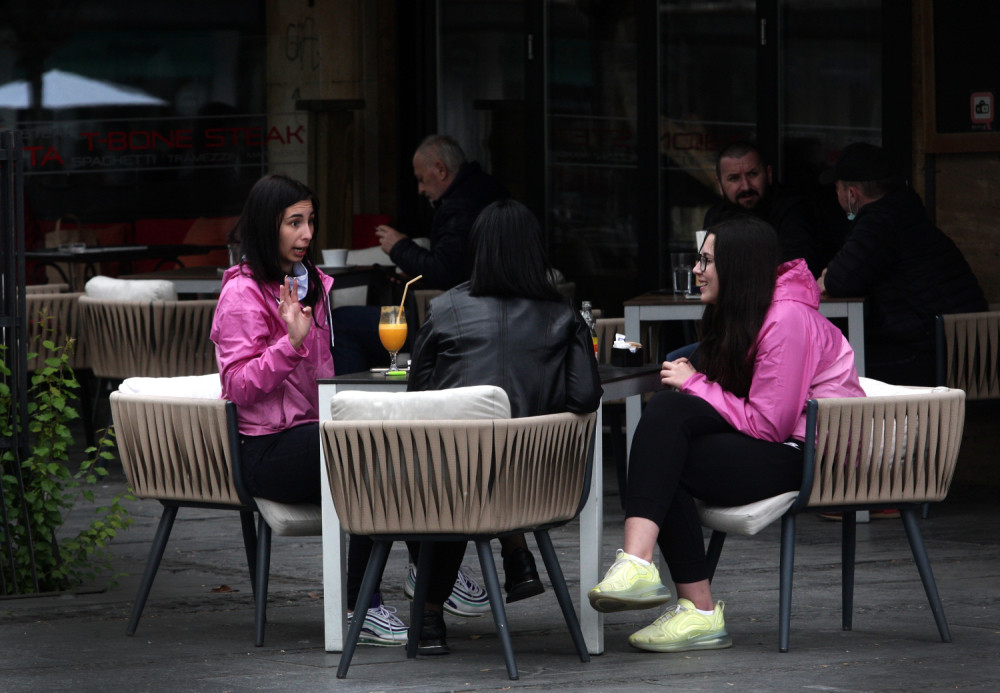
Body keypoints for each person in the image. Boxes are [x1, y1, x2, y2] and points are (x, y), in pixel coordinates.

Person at [588, 216, 864, 653]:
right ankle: (677, 597)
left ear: (737, 267)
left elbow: (770, 425)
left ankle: (668, 588)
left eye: (706, 261)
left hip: (807, 454)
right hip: (772, 442)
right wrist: (686, 373)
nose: (696, 270)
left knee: (668, 442)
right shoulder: (741, 313)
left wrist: (694, 383)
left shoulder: (788, 318)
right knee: (668, 432)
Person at [210, 174, 409, 647]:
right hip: (264, 449)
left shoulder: (311, 285)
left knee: (394, 452)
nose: (306, 235)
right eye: (293, 223)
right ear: (266, 226)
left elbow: (320, 375)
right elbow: (237, 386)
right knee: (366, 454)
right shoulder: (242, 294)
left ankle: (413, 579)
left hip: (311, 431)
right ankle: (364, 602)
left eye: (310, 222)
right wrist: (289, 343)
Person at [403, 198, 603, 654]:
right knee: (490, 465)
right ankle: (518, 555)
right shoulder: (562, 314)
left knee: (450, 479)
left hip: (459, 486)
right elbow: (585, 397)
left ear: (480, 249)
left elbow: (419, 399)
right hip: (539, 484)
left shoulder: (446, 307)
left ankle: (430, 617)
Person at [330, 134, 508, 374]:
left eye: (422, 179)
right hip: (481, 311)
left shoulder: (460, 206)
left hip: (453, 319)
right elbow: (459, 264)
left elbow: (444, 272)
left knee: (340, 323)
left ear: (441, 170)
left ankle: (352, 402)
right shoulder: (486, 191)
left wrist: (399, 247)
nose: (420, 189)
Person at [817, 142, 987, 386]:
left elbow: (837, 281)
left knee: (833, 369)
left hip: (934, 356)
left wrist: (829, 275)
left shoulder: (880, 222)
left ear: (852, 194)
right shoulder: (903, 210)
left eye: (837, 189)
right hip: (963, 349)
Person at [704, 141, 826, 276]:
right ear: (720, 184)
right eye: (734, 178)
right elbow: (705, 272)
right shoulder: (715, 217)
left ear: (768, 174)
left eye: (752, 174)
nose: (745, 186)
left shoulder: (793, 209)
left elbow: (796, 270)